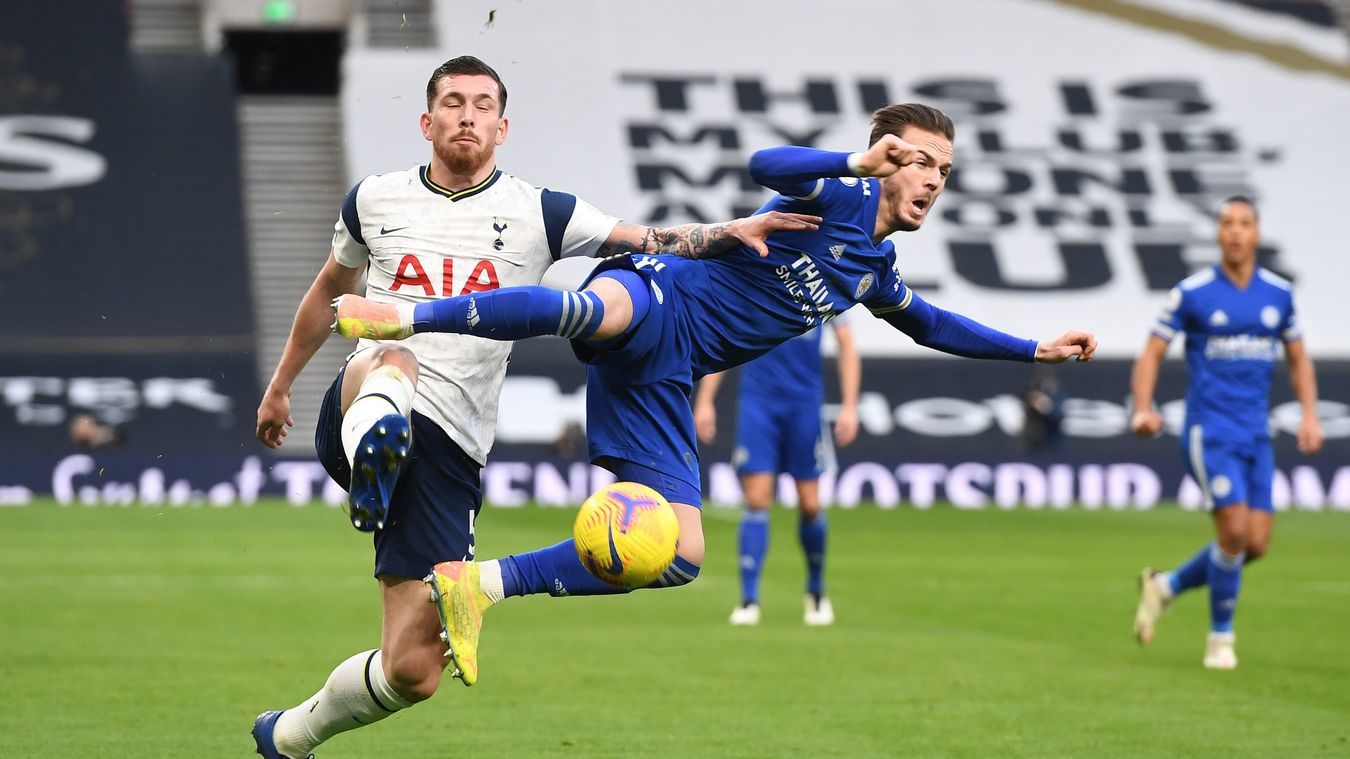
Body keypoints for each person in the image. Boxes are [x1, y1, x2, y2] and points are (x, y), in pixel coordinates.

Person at [333, 102, 1097, 687]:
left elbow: (932, 324)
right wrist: (854, 161)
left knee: (682, 554)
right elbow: (767, 160)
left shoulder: (874, 270)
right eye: (920, 160)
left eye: (943, 169)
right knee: (594, 310)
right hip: (661, 295)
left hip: (668, 375)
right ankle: (404, 315)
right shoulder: (838, 197)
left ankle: (478, 584)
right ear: (887, 159)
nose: (932, 177)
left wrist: (1033, 348)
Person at [249, 55, 816, 759]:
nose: (466, 115)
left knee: (412, 669)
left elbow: (651, 240)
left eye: (482, 105)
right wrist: (281, 387)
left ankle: (290, 734)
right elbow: (326, 291)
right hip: (367, 396)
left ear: (502, 126)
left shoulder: (539, 212)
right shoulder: (374, 198)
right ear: (426, 122)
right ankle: (374, 461)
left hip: (450, 451)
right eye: (452, 102)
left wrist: (726, 230)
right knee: (393, 355)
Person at [1129, 196, 1322, 670]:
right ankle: (1220, 641)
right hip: (1209, 431)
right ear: (1218, 234)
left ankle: (1166, 586)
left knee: (1254, 544)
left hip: (1256, 433)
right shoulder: (1192, 292)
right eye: (1227, 224)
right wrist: (1142, 408)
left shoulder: (1279, 294)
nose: (1235, 232)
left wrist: (1310, 414)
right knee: (1233, 531)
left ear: (1256, 234)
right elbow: (1152, 352)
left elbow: (1298, 358)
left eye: (1244, 224)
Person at [692, 312, 861, 626]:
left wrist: (850, 406)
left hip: (805, 406)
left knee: (810, 503)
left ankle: (815, 590)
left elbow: (847, 343)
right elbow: (728, 340)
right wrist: (705, 401)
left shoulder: (822, 281)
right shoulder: (755, 281)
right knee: (757, 500)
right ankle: (748, 600)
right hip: (759, 405)